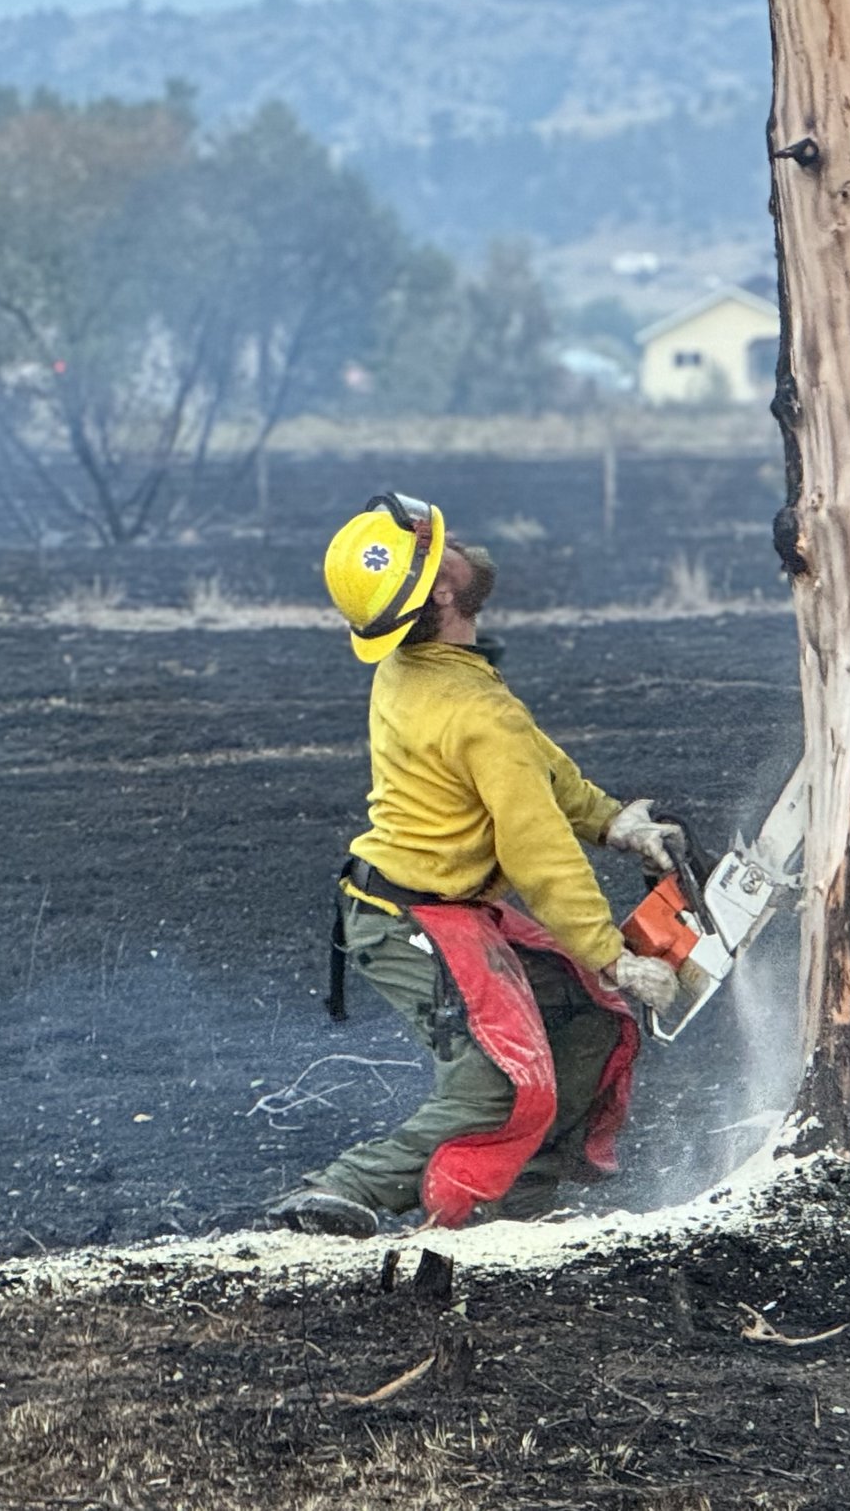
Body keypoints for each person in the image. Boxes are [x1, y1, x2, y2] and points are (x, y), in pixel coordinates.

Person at [266, 492, 687, 1237]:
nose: (459, 544)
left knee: (586, 1019)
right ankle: (345, 1188)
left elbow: (526, 761)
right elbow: (537, 851)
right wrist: (613, 956)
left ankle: (521, 1200)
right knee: (497, 1084)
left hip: (441, 903)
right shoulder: (472, 707)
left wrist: (612, 821)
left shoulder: (423, 667)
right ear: (444, 589)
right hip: (409, 918)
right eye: (444, 548)